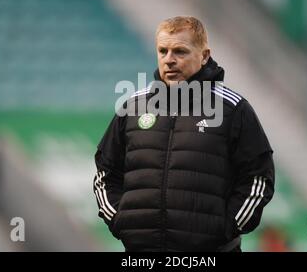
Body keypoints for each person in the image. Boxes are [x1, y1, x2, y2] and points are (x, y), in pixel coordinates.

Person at [94, 16, 275, 252]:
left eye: (180, 51)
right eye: (163, 51)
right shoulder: (132, 107)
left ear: (204, 55)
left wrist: (226, 228)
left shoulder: (233, 109)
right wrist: (121, 220)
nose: (169, 60)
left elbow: (258, 178)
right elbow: (105, 172)